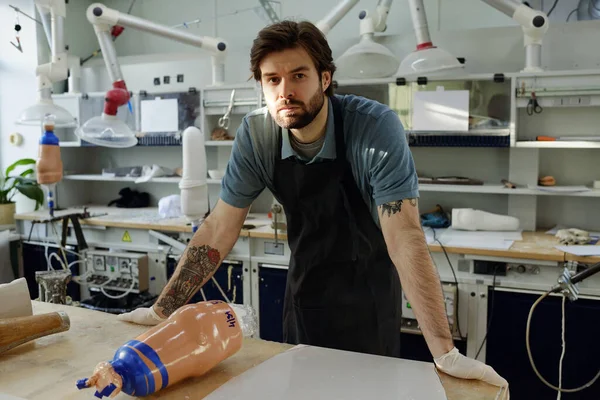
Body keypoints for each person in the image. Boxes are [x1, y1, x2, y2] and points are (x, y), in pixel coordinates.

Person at [118, 20, 509, 392]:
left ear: (325, 78)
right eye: (273, 79)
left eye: (298, 76)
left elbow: (404, 235)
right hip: (305, 293)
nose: (284, 90)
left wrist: (444, 351)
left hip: (370, 296)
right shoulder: (258, 136)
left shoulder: (372, 128)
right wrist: (162, 310)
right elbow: (219, 226)